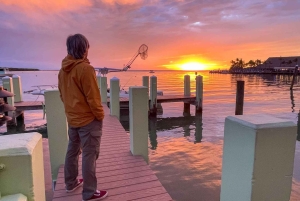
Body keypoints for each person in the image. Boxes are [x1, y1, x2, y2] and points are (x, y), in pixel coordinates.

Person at [58, 33, 108, 201]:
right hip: (88, 120)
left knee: (72, 150)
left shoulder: (63, 70)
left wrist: (72, 112)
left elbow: (62, 95)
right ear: (84, 49)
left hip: (72, 119)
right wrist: (100, 116)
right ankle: (89, 192)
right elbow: (93, 98)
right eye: (87, 47)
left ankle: (70, 183)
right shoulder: (85, 69)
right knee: (89, 154)